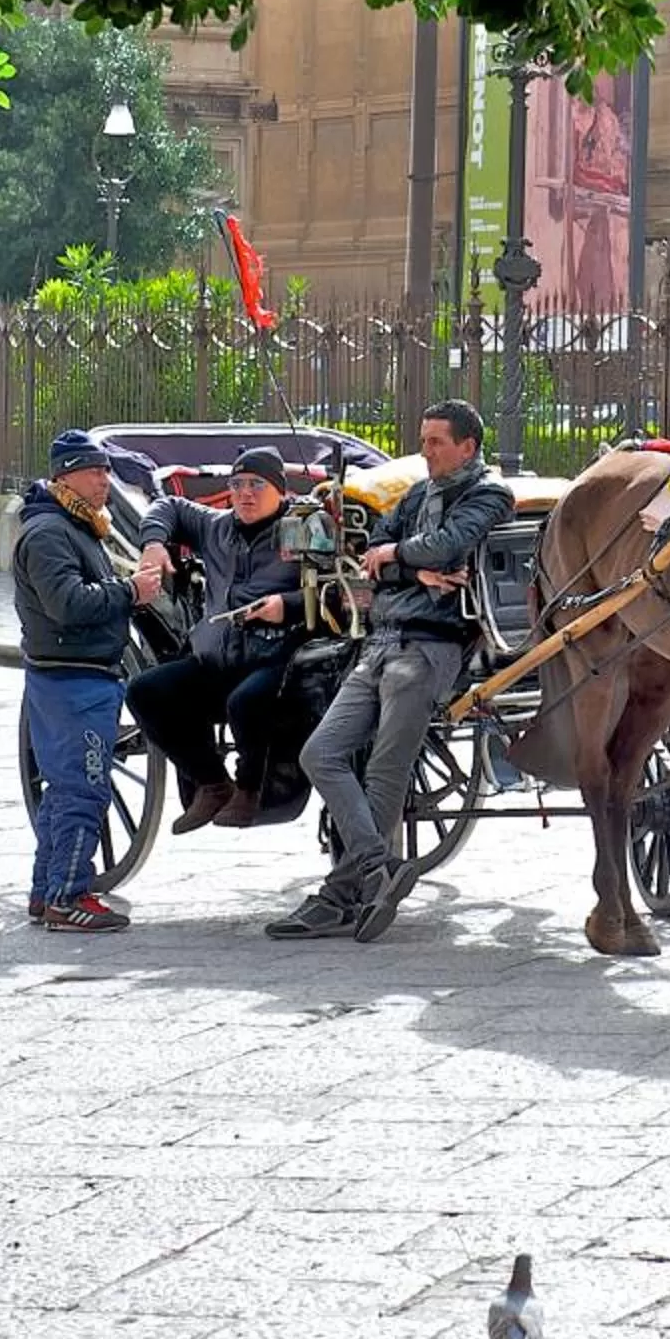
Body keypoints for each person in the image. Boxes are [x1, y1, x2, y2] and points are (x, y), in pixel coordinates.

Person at [272, 399, 512, 943]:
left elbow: (448, 546)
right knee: (320, 754)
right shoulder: (417, 494)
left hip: (431, 648)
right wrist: (412, 566)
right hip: (379, 642)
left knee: (385, 772)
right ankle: (382, 866)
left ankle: (341, 893)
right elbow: (372, 554)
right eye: (423, 439)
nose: (424, 450)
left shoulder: (490, 494)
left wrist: (400, 560)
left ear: (467, 447)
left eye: (435, 442)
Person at [16, 428, 162, 932]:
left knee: (63, 788)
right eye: (95, 471)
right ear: (66, 476)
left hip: (72, 674)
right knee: (85, 787)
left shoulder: (69, 525)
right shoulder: (50, 534)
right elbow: (68, 604)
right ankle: (69, 896)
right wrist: (130, 591)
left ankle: (45, 890)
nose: (105, 480)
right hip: (74, 678)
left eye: (105, 470)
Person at [125, 447, 314, 834]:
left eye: (257, 485)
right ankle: (212, 783)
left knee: (245, 702)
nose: (245, 493)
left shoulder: (303, 526)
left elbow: (335, 591)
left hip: (277, 658)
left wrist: (288, 605)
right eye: (237, 484)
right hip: (217, 658)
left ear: (279, 489)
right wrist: (154, 542)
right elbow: (170, 507)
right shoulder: (216, 527)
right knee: (145, 691)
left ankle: (250, 788)